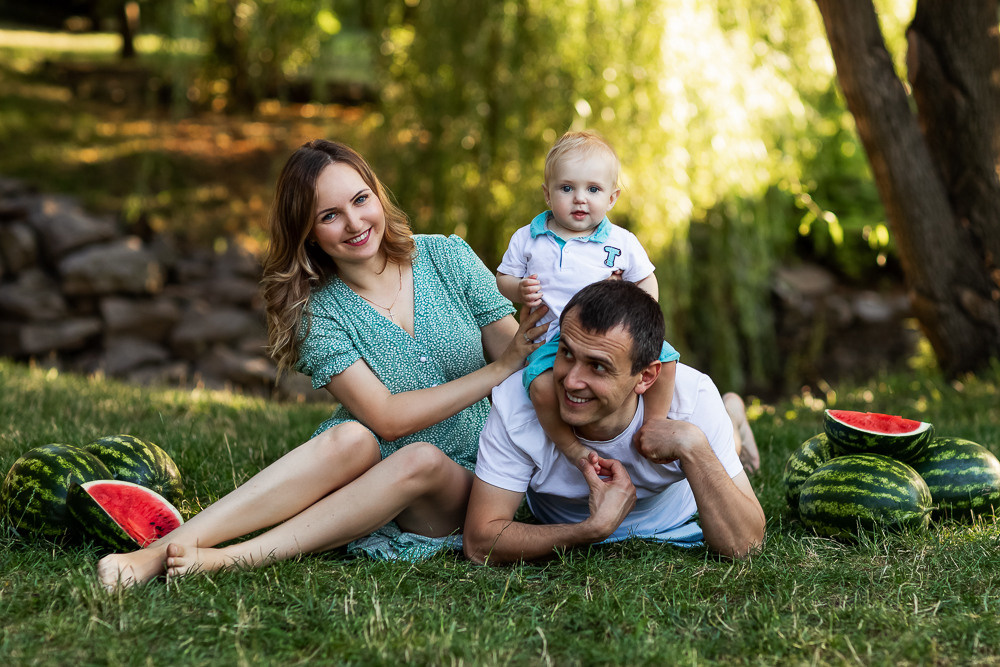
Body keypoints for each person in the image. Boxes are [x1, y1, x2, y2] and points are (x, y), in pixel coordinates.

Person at [97, 139, 547, 589]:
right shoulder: (317, 312)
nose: (355, 224)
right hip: (373, 469)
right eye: (329, 216)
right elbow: (387, 419)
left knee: (422, 459)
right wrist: (496, 370)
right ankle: (156, 553)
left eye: (360, 199)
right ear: (308, 232)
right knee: (352, 435)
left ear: (376, 193)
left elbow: (520, 360)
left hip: (471, 481)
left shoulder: (447, 257)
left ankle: (233, 558)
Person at [463, 280, 765, 564]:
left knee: (722, 454)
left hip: (674, 516)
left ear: (646, 377)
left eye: (597, 366)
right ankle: (732, 419)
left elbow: (746, 545)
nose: (571, 381)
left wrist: (694, 446)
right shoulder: (519, 403)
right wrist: (589, 530)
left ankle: (731, 415)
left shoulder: (691, 398)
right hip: (558, 520)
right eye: (566, 353)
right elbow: (479, 542)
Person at [496, 130, 679, 475]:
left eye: (593, 189)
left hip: (612, 338)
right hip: (554, 338)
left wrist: (640, 315)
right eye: (567, 188)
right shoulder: (529, 239)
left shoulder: (621, 241)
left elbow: (645, 280)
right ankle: (570, 447)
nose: (580, 199)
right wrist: (518, 289)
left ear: (612, 198)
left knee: (666, 360)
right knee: (539, 387)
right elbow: (502, 279)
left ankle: (654, 425)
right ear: (547, 195)